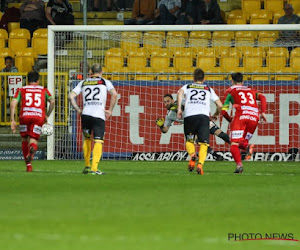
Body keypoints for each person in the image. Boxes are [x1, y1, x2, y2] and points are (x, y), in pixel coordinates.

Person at [68, 63, 117, 175]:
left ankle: (87, 166)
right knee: (98, 141)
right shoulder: (105, 82)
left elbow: (70, 96)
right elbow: (114, 94)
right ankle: (94, 168)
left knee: (87, 139)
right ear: (102, 71)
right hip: (98, 115)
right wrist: (109, 110)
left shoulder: (84, 82)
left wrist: (78, 109)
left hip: (85, 114)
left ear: (91, 71)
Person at [156, 93, 230, 160]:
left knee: (222, 135)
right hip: (193, 127)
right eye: (164, 102)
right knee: (198, 141)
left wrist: (178, 107)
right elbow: (165, 130)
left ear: (172, 100)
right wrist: (161, 126)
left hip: (202, 120)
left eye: (168, 101)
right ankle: (216, 156)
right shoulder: (170, 115)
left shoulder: (181, 101)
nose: (166, 104)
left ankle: (237, 146)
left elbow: (190, 106)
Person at [177, 68, 222, 175]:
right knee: (204, 144)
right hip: (203, 117)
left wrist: (179, 109)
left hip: (189, 116)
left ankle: (192, 154)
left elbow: (179, 93)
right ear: (204, 78)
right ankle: (200, 165)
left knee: (189, 140)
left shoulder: (187, 86)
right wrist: (215, 114)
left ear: (193, 78)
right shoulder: (208, 89)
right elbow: (220, 105)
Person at [222, 73, 267, 173]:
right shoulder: (251, 90)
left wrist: (229, 119)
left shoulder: (230, 91)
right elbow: (263, 97)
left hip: (241, 116)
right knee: (241, 142)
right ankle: (248, 147)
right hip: (254, 117)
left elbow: (223, 110)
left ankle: (239, 166)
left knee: (234, 143)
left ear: (232, 81)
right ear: (242, 82)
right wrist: (263, 112)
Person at [10, 71, 55, 172]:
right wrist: (47, 115)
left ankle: (28, 165)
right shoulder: (44, 90)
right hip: (38, 117)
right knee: (33, 139)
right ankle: (32, 149)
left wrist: (12, 120)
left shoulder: (21, 90)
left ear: (27, 80)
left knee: (24, 139)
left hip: (25, 116)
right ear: (38, 80)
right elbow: (52, 101)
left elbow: (13, 103)